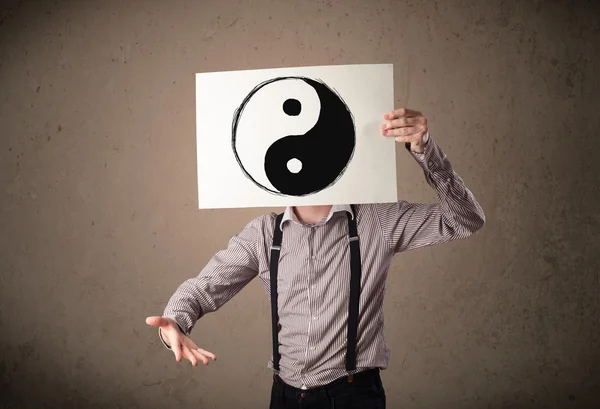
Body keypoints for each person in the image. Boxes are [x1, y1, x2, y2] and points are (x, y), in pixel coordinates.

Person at [146, 108, 485, 409]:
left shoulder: (376, 221)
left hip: (353, 396)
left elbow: (465, 219)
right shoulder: (264, 234)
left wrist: (426, 151)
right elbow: (203, 287)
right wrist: (174, 323)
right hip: (286, 396)